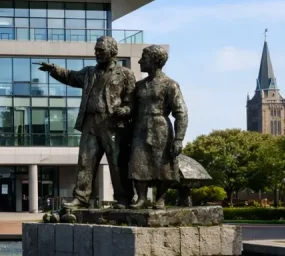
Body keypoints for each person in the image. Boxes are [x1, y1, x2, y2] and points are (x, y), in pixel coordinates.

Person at [38, 36, 135, 208]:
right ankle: (81, 198)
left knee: (117, 162)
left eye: (100, 50)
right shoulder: (89, 72)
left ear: (112, 51)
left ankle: (123, 198)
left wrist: (126, 110)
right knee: (85, 161)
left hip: (113, 125)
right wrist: (54, 69)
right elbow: (70, 76)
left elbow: (131, 100)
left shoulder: (125, 74)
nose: (96, 53)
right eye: (96, 49)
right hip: (90, 123)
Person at [129, 45, 188, 209]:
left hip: (160, 128)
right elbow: (131, 108)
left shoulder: (170, 85)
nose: (140, 61)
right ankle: (141, 198)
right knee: (137, 162)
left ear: (154, 61)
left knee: (163, 164)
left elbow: (181, 112)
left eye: (144, 58)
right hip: (140, 128)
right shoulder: (139, 86)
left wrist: (179, 139)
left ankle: (160, 199)